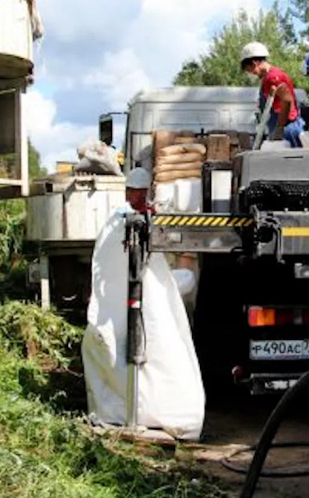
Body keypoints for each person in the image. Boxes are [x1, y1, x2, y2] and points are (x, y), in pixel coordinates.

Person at [80, 166, 205, 439]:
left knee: (143, 347)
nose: (138, 197)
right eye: (136, 193)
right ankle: (140, 412)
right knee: (125, 348)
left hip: (136, 300)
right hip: (128, 302)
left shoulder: (128, 220)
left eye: (139, 193)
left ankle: (133, 411)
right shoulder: (122, 222)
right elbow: (119, 265)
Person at [240, 41, 303, 147]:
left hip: (287, 129)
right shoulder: (270, 77)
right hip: (283, 127)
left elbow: (287, 100)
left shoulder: (273, 78)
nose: (251, 74)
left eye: (249, 70)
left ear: (255, 64)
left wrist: (280, 128)